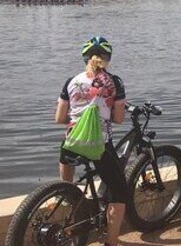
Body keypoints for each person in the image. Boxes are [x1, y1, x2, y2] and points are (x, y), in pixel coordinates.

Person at [56, 36, 128, 246]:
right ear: (108, 59)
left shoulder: (71, 81)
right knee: (120, 192)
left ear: (85, 58)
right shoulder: (114, 82)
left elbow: (59, 118)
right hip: (99, 145)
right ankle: (111, 242)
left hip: (71, 142)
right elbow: (119, 119)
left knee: (66, 164)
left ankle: (65, 195)